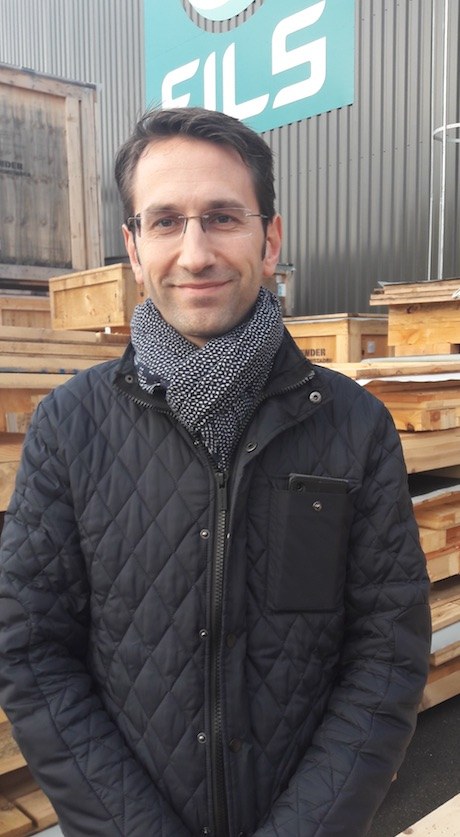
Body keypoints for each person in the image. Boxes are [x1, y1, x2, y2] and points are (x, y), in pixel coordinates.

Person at [0, 107, 430, 837]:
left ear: (271, 240)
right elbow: (33, 651)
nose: (195, 253)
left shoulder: (353, 426)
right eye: (166, 222)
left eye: (223, 218)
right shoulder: (69, 427)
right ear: (134, 247)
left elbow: (386, 652)